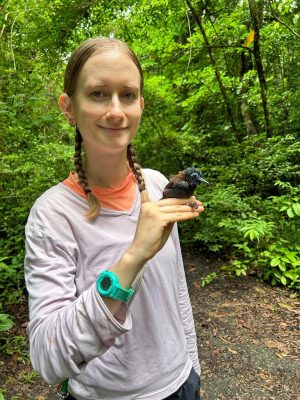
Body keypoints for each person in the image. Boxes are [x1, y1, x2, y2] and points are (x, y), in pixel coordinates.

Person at [24, 37, 204, 400]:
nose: (116, 110)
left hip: (181, 383)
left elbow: (176, 291)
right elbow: (47, 357)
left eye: (127, 95)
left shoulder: (155, 185)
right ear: (68, 106)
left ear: (141, 105)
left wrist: (192, 369)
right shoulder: (52, 215)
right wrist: (134, 255)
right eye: (98, 94)